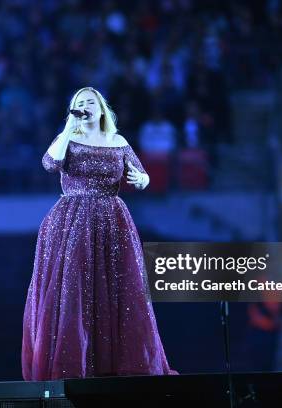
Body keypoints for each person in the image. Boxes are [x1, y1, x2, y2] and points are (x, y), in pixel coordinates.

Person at [22, 87, 178, 380]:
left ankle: (120, 365)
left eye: (90, 102)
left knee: (117, 290)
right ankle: (73, 365)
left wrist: (142, 178)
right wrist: (69, 127)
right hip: (72, 222)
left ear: (102, 108)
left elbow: (141, 175)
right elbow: (49, 163)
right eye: (79, 103)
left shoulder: (117, 141)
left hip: (112, 221)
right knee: (74, 291)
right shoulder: (67, 139)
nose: (85, 106)